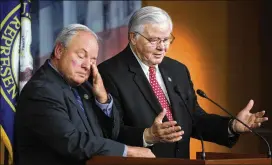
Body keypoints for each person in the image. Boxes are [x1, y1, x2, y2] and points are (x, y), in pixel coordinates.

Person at [98, 6, 268, 158]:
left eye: (166, 40)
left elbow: (194, 118)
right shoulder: (109, 73)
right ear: (133, 37)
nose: (162, 47)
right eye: (154, 40)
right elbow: (109, 130)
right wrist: (146, 135)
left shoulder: (177, 70)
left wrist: (232, 126)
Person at [14, 24, 155, 165]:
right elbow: (71, 142)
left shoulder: (86, 87)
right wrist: (128, 152)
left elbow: (112, 134)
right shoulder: (41, 90)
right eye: (81, 56)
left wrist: (103, 99)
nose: (87, 65)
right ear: (59, 51)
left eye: (93, 60)